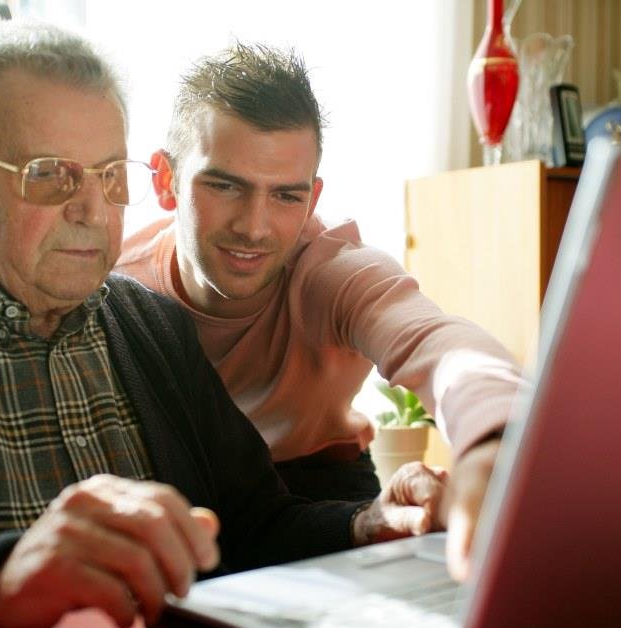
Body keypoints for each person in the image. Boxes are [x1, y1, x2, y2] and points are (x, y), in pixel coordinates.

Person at [0, 21, 446, 628]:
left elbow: (249, 525)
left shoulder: (151, 325)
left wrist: (366, 523)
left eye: (108, 175)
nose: (93, 210)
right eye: (50, 174)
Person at [115, 42, 525, 575]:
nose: (255, 227)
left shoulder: (330, 272)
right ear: (165, 181)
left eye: (286, 196)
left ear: (312, 198)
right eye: (224, 185)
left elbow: (440, 344)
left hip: (322, 486)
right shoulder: (117, 286)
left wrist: (490, 444)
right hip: (182, 490)